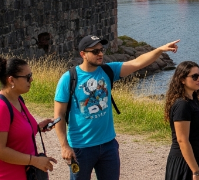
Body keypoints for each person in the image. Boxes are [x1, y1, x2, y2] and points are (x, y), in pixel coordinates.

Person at [53, 35, 181, 180]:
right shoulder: (69, 78)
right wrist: (64, 146)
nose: (100, 54)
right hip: (81, 147)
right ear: (83, 54)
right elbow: (59, 115)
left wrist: (160, 49)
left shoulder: (108, 70)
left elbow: (138, 63)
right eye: (95, 51)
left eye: (102, 50)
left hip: (108, 145)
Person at [0, 56, 57, 180]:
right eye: (27, 77)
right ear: (11, 80)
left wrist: (37, 127)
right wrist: (35, 161)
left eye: (30, 75)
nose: (31, 79)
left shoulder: (17, 100)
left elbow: (15, 131)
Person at [164, 61, 199, 180]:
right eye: (194, 76)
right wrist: (195, 172)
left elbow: (196, 114)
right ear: (182, 79)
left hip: (198, 158)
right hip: (187, 163)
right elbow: (182, 140)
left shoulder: (192, 99)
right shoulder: (182, 105)